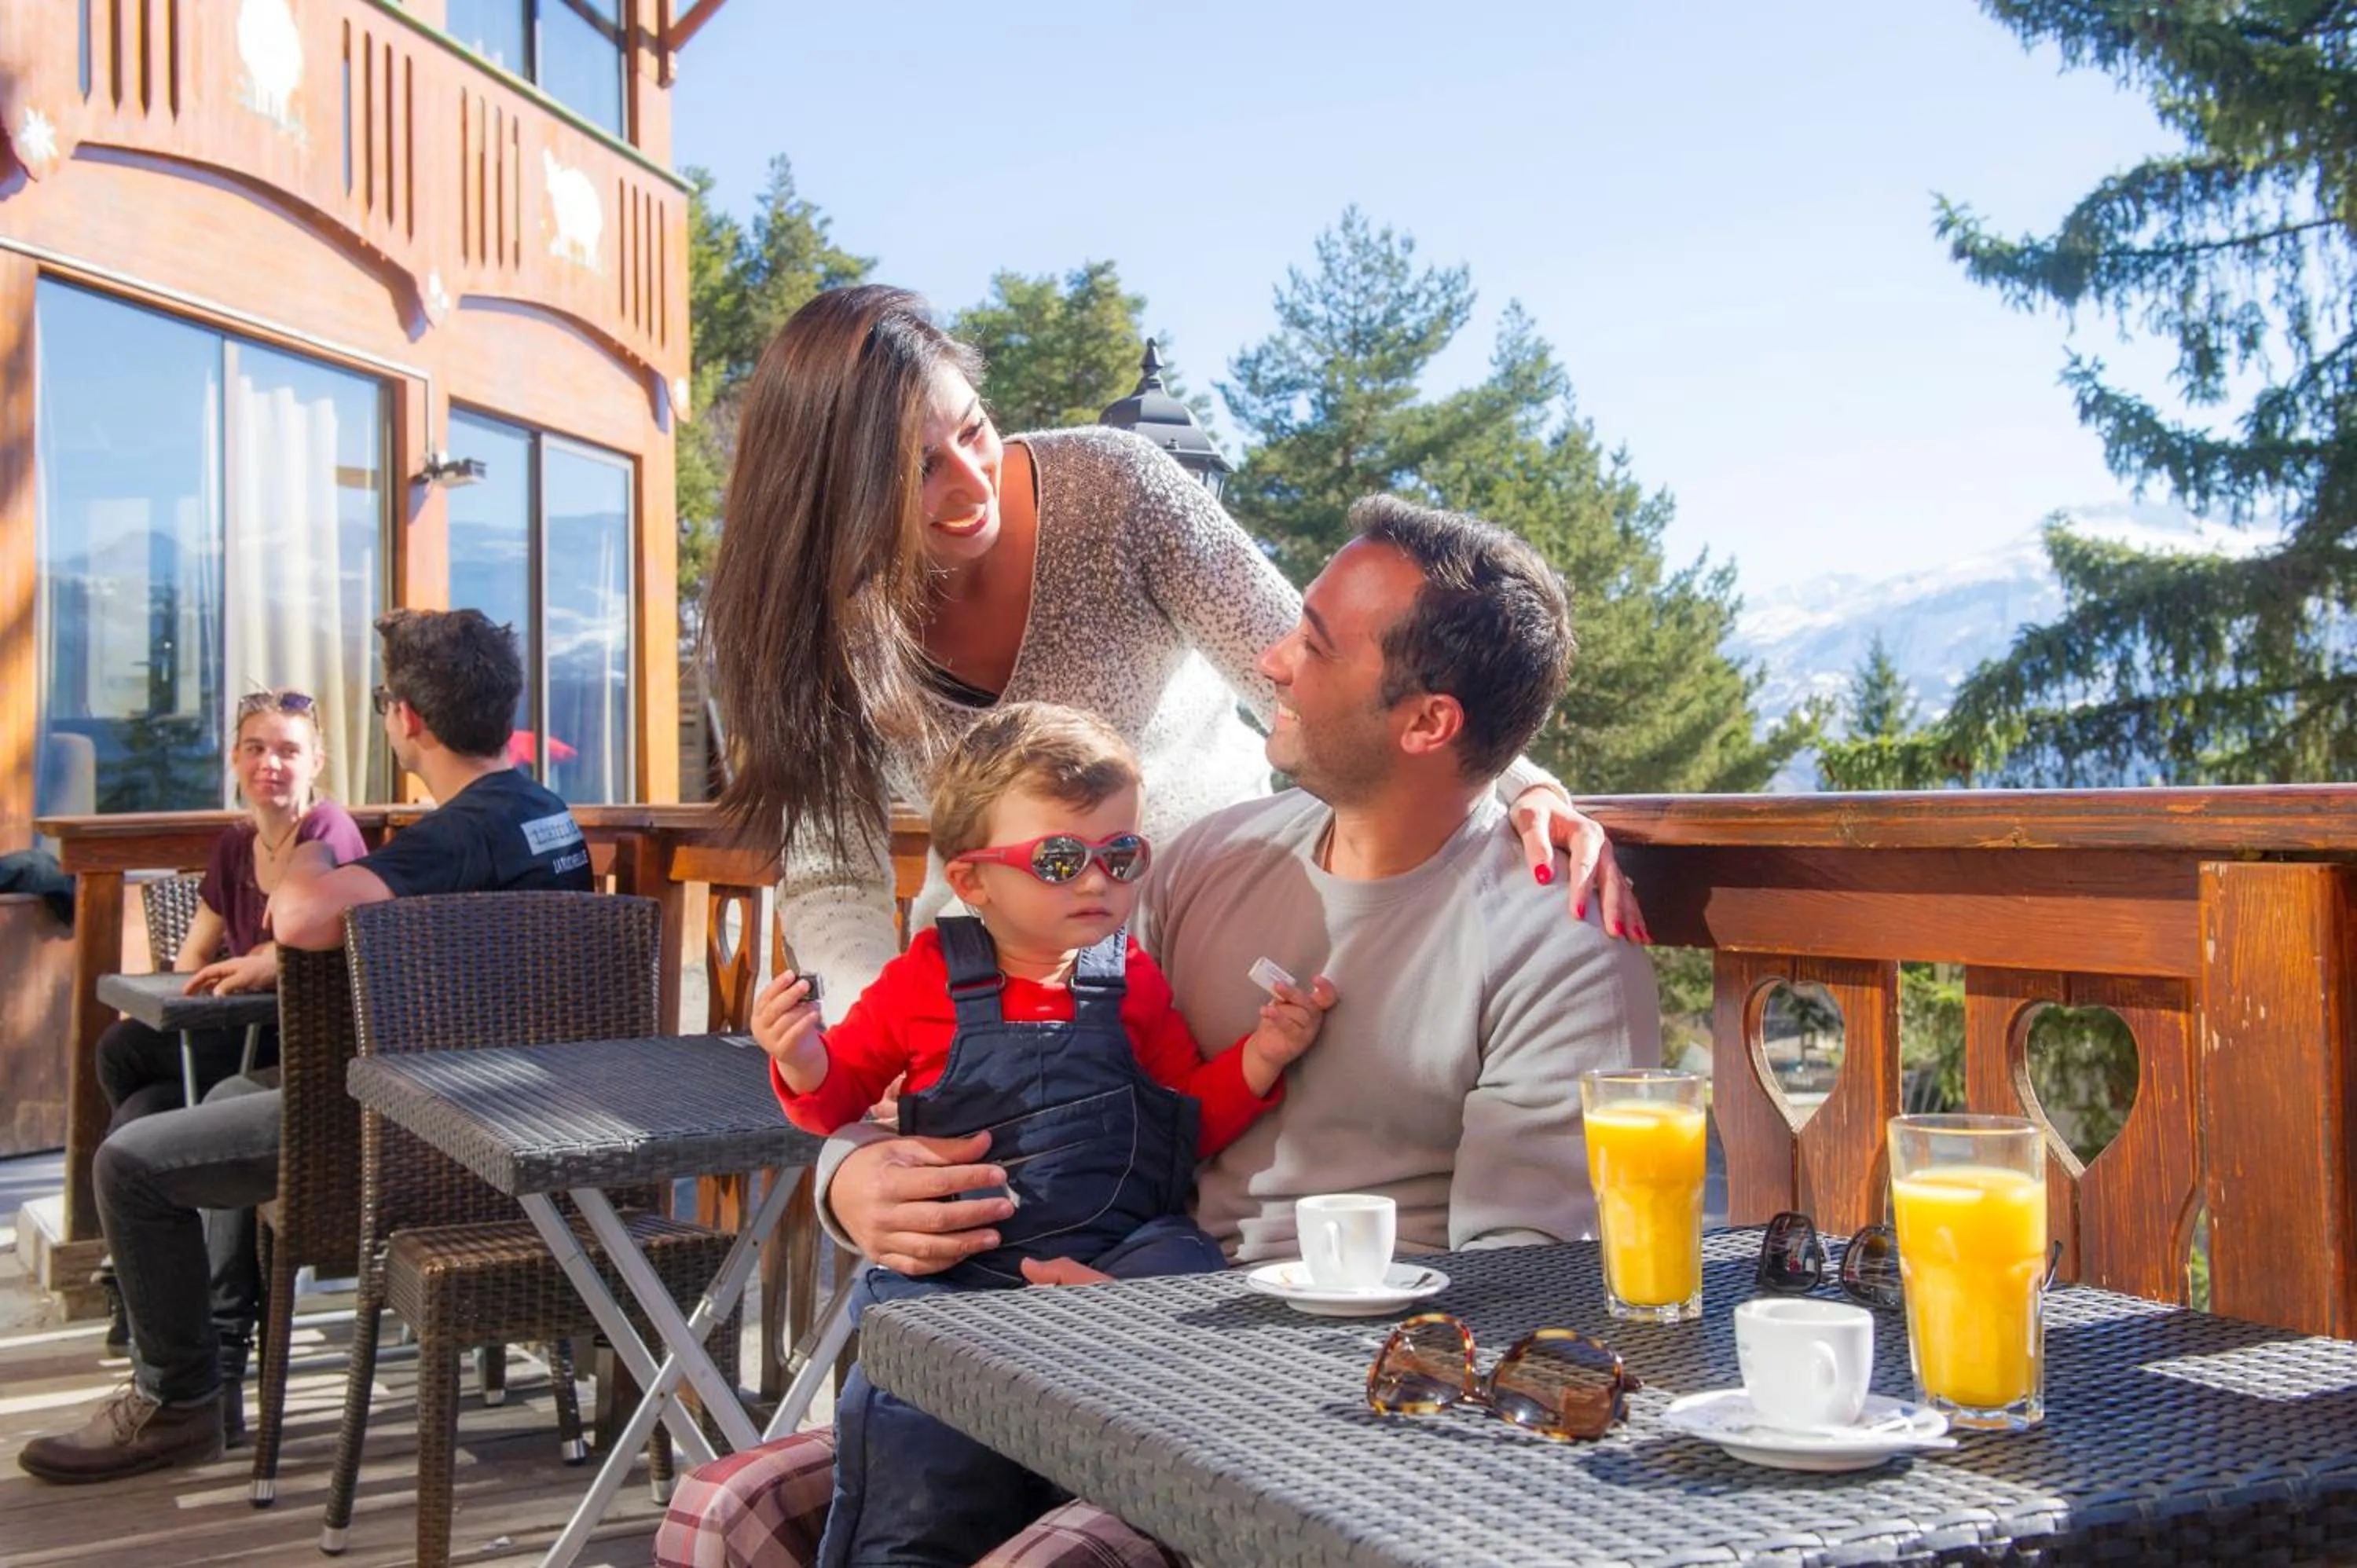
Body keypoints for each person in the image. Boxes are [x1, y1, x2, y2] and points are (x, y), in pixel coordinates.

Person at [657, 496, 1662, 1568]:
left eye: (1314, 644)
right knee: (729, 1521)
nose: (1271, 658)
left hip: (1308, 1420)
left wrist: (1169, 1338)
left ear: (1426, 724)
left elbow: (1521, 1300)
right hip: (1064, 1317)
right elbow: (1006, 1054)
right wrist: (853, 1177)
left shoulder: (1557, 936)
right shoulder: (1207, 860)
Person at [699, 287, 1648, 1034]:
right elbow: (833, 884)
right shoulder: (811, 634)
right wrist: (876, 1050)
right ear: (831, 495)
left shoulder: (1118, 488)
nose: (971, 483)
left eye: (974, 428)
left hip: (1225, 947)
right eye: (917, 470)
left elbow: (1319, 661)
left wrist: (1515, 780)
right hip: (1002, 1007)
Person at [19, 608, 596, 1486]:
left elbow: (301, 916)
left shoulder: (458, 832)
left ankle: (181, 1401)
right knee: (199, 1099)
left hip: (421, 1138)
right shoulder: (548, 817)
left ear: (405, 719)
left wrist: (309, 863)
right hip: (510, 1114)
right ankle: (204, 1359)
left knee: (130, 1164)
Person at [752, 702, 1335, 1566]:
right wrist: (801, 1059)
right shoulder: (924, 980)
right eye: (1060, 860)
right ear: (975, 881)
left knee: (1189, 1272)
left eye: (1121, 854)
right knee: (914, 1445)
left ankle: (1123, 1506)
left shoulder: (1129, 977)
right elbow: (839, 1098)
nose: (1097, 883)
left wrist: (1262, 1055)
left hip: (1118, 1255)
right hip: (962, 1270)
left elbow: (1183, 1118)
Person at [95, 690, 367, 1132]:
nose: (270, 764)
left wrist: (266, 958)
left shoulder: (326, 830)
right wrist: (188, 1014)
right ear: (236, 758)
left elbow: (325, 952)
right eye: (256, 749)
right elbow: (195, 952)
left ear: (316, 763)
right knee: (141, 1109)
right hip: (241, 1027)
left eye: (288, 751)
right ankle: (160, 1183)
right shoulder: (235, 845)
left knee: (123, 1049)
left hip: (304, 1035)